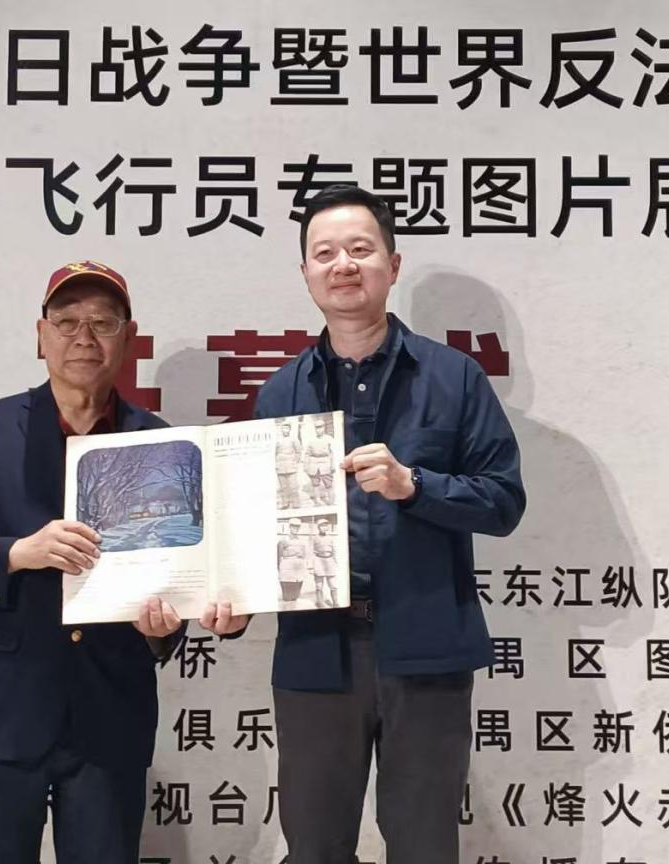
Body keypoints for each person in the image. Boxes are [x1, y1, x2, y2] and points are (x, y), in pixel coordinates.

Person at [250, 185, 526, 864]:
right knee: (314, 847)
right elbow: (256, 523)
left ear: (392, 265)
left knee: (424, 844)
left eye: (360, 249)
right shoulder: (281, 392)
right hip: (315, 647)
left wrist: (414, 486)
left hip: (427, 644)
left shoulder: (454, 377)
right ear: (305, 273)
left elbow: (502, 501)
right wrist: (228, 597)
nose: (342, 265)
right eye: (324, 254)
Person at [0, 260, 190, 864]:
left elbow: (177, 570)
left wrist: (162, 629)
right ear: (41, 335)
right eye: (67, 322)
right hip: (3, 713)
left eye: (103, 323)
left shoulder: (160, 442)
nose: (84, 338)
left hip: (110, 716)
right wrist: (18, 552)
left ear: (128, 337)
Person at [276, 516, 309, 603]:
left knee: (295, 597)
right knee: (287, 598)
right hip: (287, 571)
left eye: (297, 527)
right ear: (290, 527)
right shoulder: (283, 540)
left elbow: (304, 555)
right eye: (293, 526)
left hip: (298, 571)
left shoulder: (302, 541)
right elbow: (279, 557)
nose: (295, 529)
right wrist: (280, 570)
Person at [304, 417, 336, 505]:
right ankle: (317, 501)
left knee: (328, 483)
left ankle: (331, 500)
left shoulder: (329, 439)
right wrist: (306, 466)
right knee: (315, 484)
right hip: (314, 464)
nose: (318, 430)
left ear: (324, 428)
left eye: (320, 427)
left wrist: (333, 465)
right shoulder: (311, 440)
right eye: (317, 428)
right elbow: (307, 454)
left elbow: (332, 453)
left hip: (325, 463)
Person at [311, 518, 338, 608]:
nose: (324, 528)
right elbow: (311, 551)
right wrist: (311, 566)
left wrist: (335, 562)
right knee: (319, 585)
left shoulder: (330, 538)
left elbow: (334, 551)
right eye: (322, 526)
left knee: (333, 585)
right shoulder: (314, 538)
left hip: (329, 561)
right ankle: (320, 602)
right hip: (319, 561)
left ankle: (335, 603)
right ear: (318, 527)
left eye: (325, 526)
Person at [275, 421, 303, 508]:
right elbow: (274, 453)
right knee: (283, 487)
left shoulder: (294, 439)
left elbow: (298, 452)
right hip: (280, 466)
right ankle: (285, 503)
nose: (285, 430)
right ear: (281, 429)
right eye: (283, 428)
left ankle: (296, 503)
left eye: (287, 428)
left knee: (293, 486)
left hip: (291, 465)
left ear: (289, 429)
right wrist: (276, 463)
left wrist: (295, 461)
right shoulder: (277, 440)